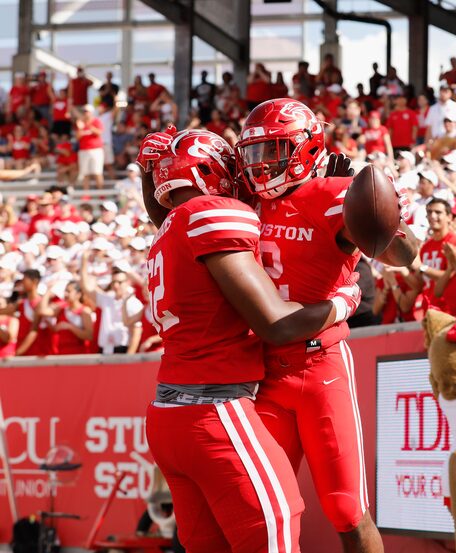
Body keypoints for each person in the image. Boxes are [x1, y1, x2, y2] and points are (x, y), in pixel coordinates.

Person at [137, 127, 363, 553]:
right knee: (275, 535)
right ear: (210, 170)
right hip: (215, 411)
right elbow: (276, 324)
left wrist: (148, 171)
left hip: (168, 413)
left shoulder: (169, 226)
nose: (242, 178)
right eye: (231, 167)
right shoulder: (213, 212)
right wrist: (344, 302)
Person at [234, 99, 418, 553]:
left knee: (346, 510)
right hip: (263, 371)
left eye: (274, 150)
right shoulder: (241, 200)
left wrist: (383, 209)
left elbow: (402, 254)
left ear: (305, 146)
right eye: (254, 153)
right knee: (263, 508)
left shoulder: (334, 194)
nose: (261, 165)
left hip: (320, 366)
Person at [76, 104, 105, 190]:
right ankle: (86, 193)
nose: (85, 113)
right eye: (84, 111)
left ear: (91, 112)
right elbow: (78, 137)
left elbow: (99, 133)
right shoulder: (80, 123)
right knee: (85, 173)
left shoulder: (96, 121)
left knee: (97, 172)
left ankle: (101, 193)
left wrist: (88, 125)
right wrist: (80, 128)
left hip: (96, 150)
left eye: (86, 111)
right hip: (84, 150)